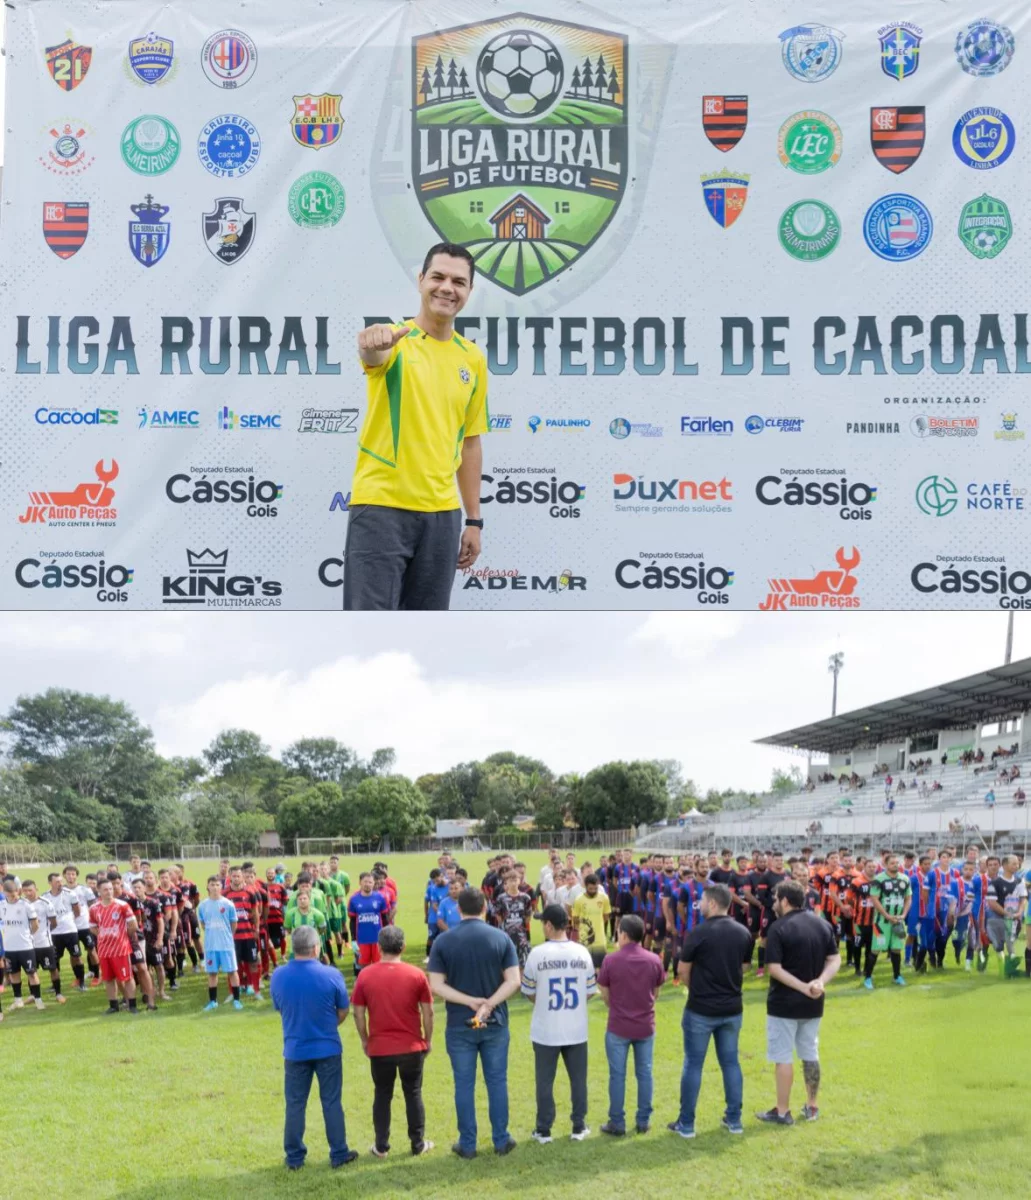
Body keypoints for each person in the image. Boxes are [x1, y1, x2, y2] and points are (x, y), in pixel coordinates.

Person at [344, 242, 488, 610]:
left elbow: (470, 441)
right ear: (421, 280)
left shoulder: (471, 358)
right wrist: (370, 344)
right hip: (381, 509)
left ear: (469, 291)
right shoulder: (394, 341)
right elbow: (372, 354)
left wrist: (473, 519)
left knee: (426, 636)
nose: (446, 288)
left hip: (442, 517)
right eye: (437, 277)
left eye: (458, 282)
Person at [428, 887, 520, 1159]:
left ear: (458, 909)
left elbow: (436, 985)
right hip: (494, 1022)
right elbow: (513, 980)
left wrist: (469, 1001)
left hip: (461, 1023)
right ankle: (501, 1139)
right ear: (485, 908)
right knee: (496, 1081)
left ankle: (467, 1143)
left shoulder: (444, 941)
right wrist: (489, 1004)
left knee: (464, 1084)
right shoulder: (500, 937)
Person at [669, 883, 753, 1139]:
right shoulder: (743, 932)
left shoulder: (698, 933)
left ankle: (687, 1124)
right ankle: (735, 1120)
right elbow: (746, 966)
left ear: (713, 904)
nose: (699, 905)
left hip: (701, 1010)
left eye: (703, 901)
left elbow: (683, 972)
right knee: (730, 1063)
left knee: (693, 1064)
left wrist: (700, 988)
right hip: (731, 1007)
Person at [270, 925, 358, 1171]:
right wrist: (328, 1026)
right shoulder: (331, 974)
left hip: (295, 1049)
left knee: (295, 1103)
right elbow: (343, 1010)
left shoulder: (278, 975)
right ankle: (339, 1152)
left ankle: (295, 1157)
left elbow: (280, 1007)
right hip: (327, 1047)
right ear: (316, 947)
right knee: (331, 1101)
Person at [757, 880, 840, 1126]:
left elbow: (773, 968)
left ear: (784, 900)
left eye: (775, 899)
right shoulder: (822, 924)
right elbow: (835, 959)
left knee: (783, 1056)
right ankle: (812, 1106)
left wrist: (808, 985)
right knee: (809, 1053)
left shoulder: (778, 928)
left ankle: (783, 1111)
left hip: (784, 1004)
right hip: (813, 1003)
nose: (773, 904)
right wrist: (820, 982)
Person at [352, 925, 434, 1159]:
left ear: (378, 948)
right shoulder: (416, 974)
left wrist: (365, 1040)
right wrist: (427, 1039)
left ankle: (381, 1146)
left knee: (382, 1094)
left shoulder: (365, 975)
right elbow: (428, 1012)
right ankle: (417, 1143)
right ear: (403, 947)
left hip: (380, 1048)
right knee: (413, 1093)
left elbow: (358, 1013)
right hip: (411, 1047)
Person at [521, 903, 597, 1144]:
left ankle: (544, 1129)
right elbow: (590, 990)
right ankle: (579, 1125)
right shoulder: (582, 952)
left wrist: (543, 1002)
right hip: (576, 1027)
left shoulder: (537, 954)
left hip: (546, 1028)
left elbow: (528, 991)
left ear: (549, 925)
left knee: (544, 1081)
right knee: (578, 1080)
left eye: (543, 922)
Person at [597, 914, 666, 1136]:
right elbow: (656, 993)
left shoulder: (611, 960)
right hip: (645, 1025)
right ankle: (643, 1120)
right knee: (644, 1073)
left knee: (617, 1075)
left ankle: (617, 1121)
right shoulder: (654, 960)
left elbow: (605, 995)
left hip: (618, 1025)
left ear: (623, 934)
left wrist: (618, 1007)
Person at [88, 879, 140, 1015]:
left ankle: (133, 1005)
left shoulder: (122, 905)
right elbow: (92, 926)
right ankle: (113, 1005)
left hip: (121, 949)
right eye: (105, 890)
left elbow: (133, 925)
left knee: (127, 978)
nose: (109, 892)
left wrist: (122, 936)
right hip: (104, 950)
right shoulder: (94, 908)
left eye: (111, 889)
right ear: (99, 891)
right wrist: (101, 934)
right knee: (108, 979)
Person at [197, 876, 243, 1010]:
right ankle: (213, 1001)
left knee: (232, 972)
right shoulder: (203, 905)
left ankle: (237, 1000)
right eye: (212, 885)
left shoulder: (228, 904)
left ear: (221, 887)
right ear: (208, 887)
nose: (215, 887)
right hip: (211, 946)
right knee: (212, 973)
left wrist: (227, 936)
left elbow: (233, 924)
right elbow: (203, 924)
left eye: (217, 885)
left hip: (226, 945)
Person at [869, 853, 911, 986]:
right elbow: (874, 899)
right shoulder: (878, 879)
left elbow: (908, 898)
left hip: (898, 921)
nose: (895, 865)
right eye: (892, 863)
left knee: (896, 949)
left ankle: (897, 976)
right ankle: (868, 978)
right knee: (876, 949)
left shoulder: (905, 879)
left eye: (897, 863)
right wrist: (887, 916)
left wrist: (903, 915)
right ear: (885, 865)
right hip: (881, 922)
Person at [348, 872, 390, 977]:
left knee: (379, 966)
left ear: (373, 883)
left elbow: (385, 918)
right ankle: (362, 986)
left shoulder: (380, 898)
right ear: (360, 883)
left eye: (370, 882)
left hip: (377, 939)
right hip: (361, 940)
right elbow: (352, 921)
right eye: (365, 882)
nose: (367, 884)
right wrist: (353, 939)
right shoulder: (354, 899)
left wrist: (387, 935)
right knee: (363, 967)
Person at [571, 873, 611, 951]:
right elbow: (575, 920)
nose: (593, 891)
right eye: (590, 889)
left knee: (599, 963)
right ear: (585, 886)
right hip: (584, 941)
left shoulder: (604, 898)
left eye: (595, 888)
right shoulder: (579, 900)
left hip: (600, 941)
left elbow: (606, 917)